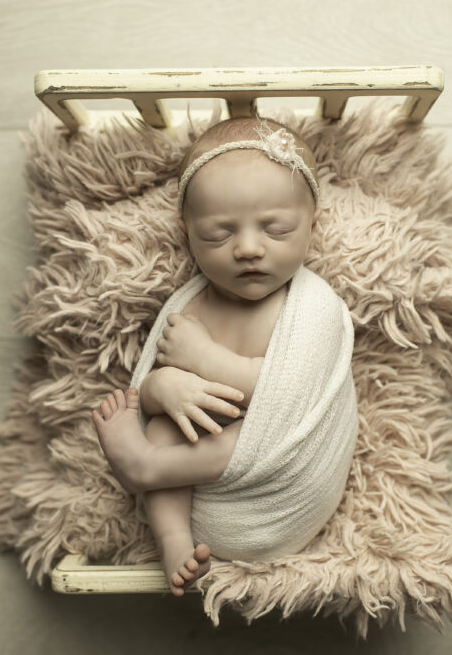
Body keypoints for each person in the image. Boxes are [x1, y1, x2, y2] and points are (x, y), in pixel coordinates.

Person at [92, 115, 333, 596]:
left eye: (276, 229)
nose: (247, 248)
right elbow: (150, 389)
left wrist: (201, 356)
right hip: (206, 474)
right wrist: (167, 389)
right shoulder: (191, 304)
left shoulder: (312, 306)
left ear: (312, 223)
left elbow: (289, 393)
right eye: (218, 235)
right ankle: (173, 537)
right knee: (165, 425)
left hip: (277, 471)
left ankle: (147, 469)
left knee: (253, 430)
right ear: (186, 233)